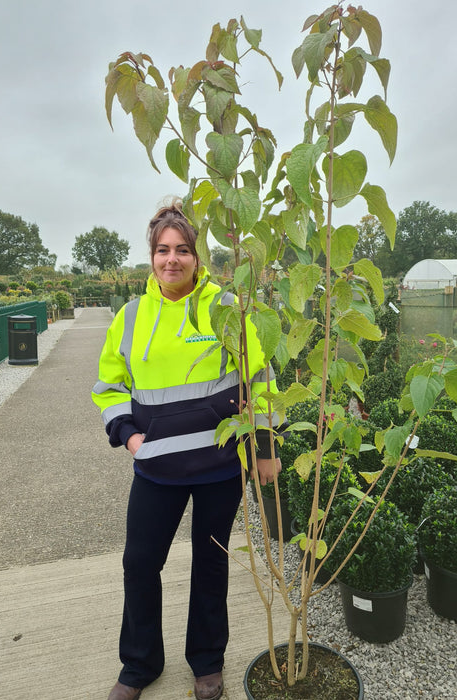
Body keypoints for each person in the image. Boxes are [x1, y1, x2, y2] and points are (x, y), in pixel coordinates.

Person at [92, 200, 282, 700]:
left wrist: (264, 449)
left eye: (181, 250)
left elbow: (259, 380)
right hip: (156, 468)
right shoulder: (130, 317)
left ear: (198, 257)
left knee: (210, 562)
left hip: (220, 467)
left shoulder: (226, 307)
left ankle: (206, 662)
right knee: (139, 562)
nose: (171, 259)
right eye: (162, 250)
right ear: (151, 256)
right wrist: (130, 437)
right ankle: (139, 666)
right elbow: (108, 387)